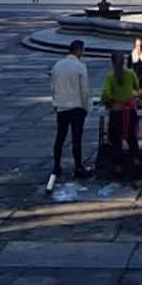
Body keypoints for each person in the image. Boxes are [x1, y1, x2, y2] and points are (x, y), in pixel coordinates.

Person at [50, 39, 91, 182]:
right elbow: (84, 90)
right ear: (78, 50)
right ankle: (78, 167)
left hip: (61, 106)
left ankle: (56, 166)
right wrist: (87, 107)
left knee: (60, 137)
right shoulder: (80, 66)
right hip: (77, 107)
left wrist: (55, 104)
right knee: (76, 139)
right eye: (82, 50)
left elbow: (53, 87)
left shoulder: (57, 65)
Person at [100, 51, 141, 166]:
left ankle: (118, 167)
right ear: (124, 61)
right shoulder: (131, 73)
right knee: (132, 137)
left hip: (117, 112)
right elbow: (137, 87)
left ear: (112, 62)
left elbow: (105, 95)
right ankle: (136, 162)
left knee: (116, 140)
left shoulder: (110, 77)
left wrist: (111, 101)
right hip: (130, 111)